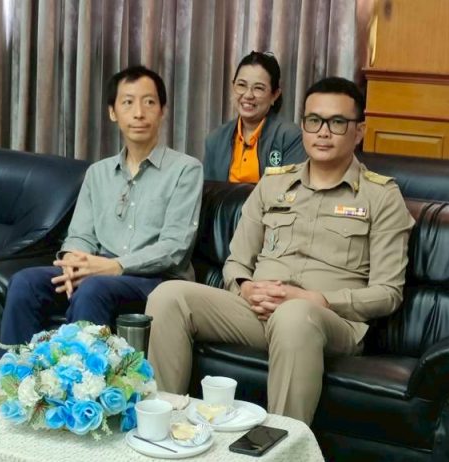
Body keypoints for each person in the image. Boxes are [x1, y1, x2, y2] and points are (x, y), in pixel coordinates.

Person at [146, 77, 414, 424]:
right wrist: (245, 288)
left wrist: (319, 300)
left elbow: (388, 293)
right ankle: (163, 428)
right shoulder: (273, 184)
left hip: (328, 321)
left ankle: (281, 445)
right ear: (303, 125)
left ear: (359, 131)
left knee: (295, 315)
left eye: (337, 122)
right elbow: (236, 262)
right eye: (314, 121)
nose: (323, 132)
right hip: (258, 312)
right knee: (169, 296)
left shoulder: (381, 196)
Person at [0, 66, 203, 350]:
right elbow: (80, 236)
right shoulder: (98, 173)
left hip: (156, 281)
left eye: (149, 102)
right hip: (99, 273)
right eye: (128, 102)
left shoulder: (186, 169)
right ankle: (16, 371)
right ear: (112, 112)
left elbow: (174, 248)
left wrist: (115, 266)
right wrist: (73, 262)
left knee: (94, 288)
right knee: (25, 283)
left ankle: (78, 375)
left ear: (162, 111)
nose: (139, 113)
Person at [203, 51, 305, 183]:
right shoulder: (215, 139)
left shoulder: (290, 137)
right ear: (233, 87)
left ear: (275, 95)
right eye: (241, 85)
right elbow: (208, 191)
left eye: (258, 88)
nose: (248, 95)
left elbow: (291, 190)